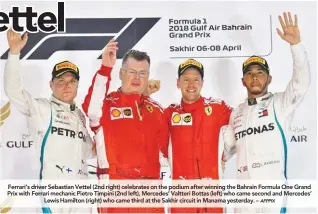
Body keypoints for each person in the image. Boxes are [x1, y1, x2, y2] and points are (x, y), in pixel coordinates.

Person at [221, 12, 310, 213]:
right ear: (243, 81)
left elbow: (301, 83)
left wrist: (296, 46)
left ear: (269, 79)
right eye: (249, 74)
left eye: (260, 73)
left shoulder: (280, 103)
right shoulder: (236, 113)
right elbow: (223, 151)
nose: (254, 78)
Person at [4, 29, 95, 213]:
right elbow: (13, 91)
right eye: (61, 80)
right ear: (51, 84)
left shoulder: (80, 116)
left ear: (78, 86)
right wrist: (14, 54)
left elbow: (89, 153)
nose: (66, 85)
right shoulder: (43, 109)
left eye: (72, 81)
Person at [82, 40, 167, 213]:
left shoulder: (157, 110)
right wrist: (105, 68)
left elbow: (169, 150)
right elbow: (90, 108)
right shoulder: (107, 105)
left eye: (143, 73)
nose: (137, 78)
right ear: (121, 73)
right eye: (132, 72)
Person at [148, 59, 232, 213]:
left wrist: (224, 156)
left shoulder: (218, 108)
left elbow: (241, 125)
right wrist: (145, 94)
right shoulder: (169, 113)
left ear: (202, 83)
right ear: (178, 83)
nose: (191, 84)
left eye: (196, 79)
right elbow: (145, 124)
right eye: (186, 79)